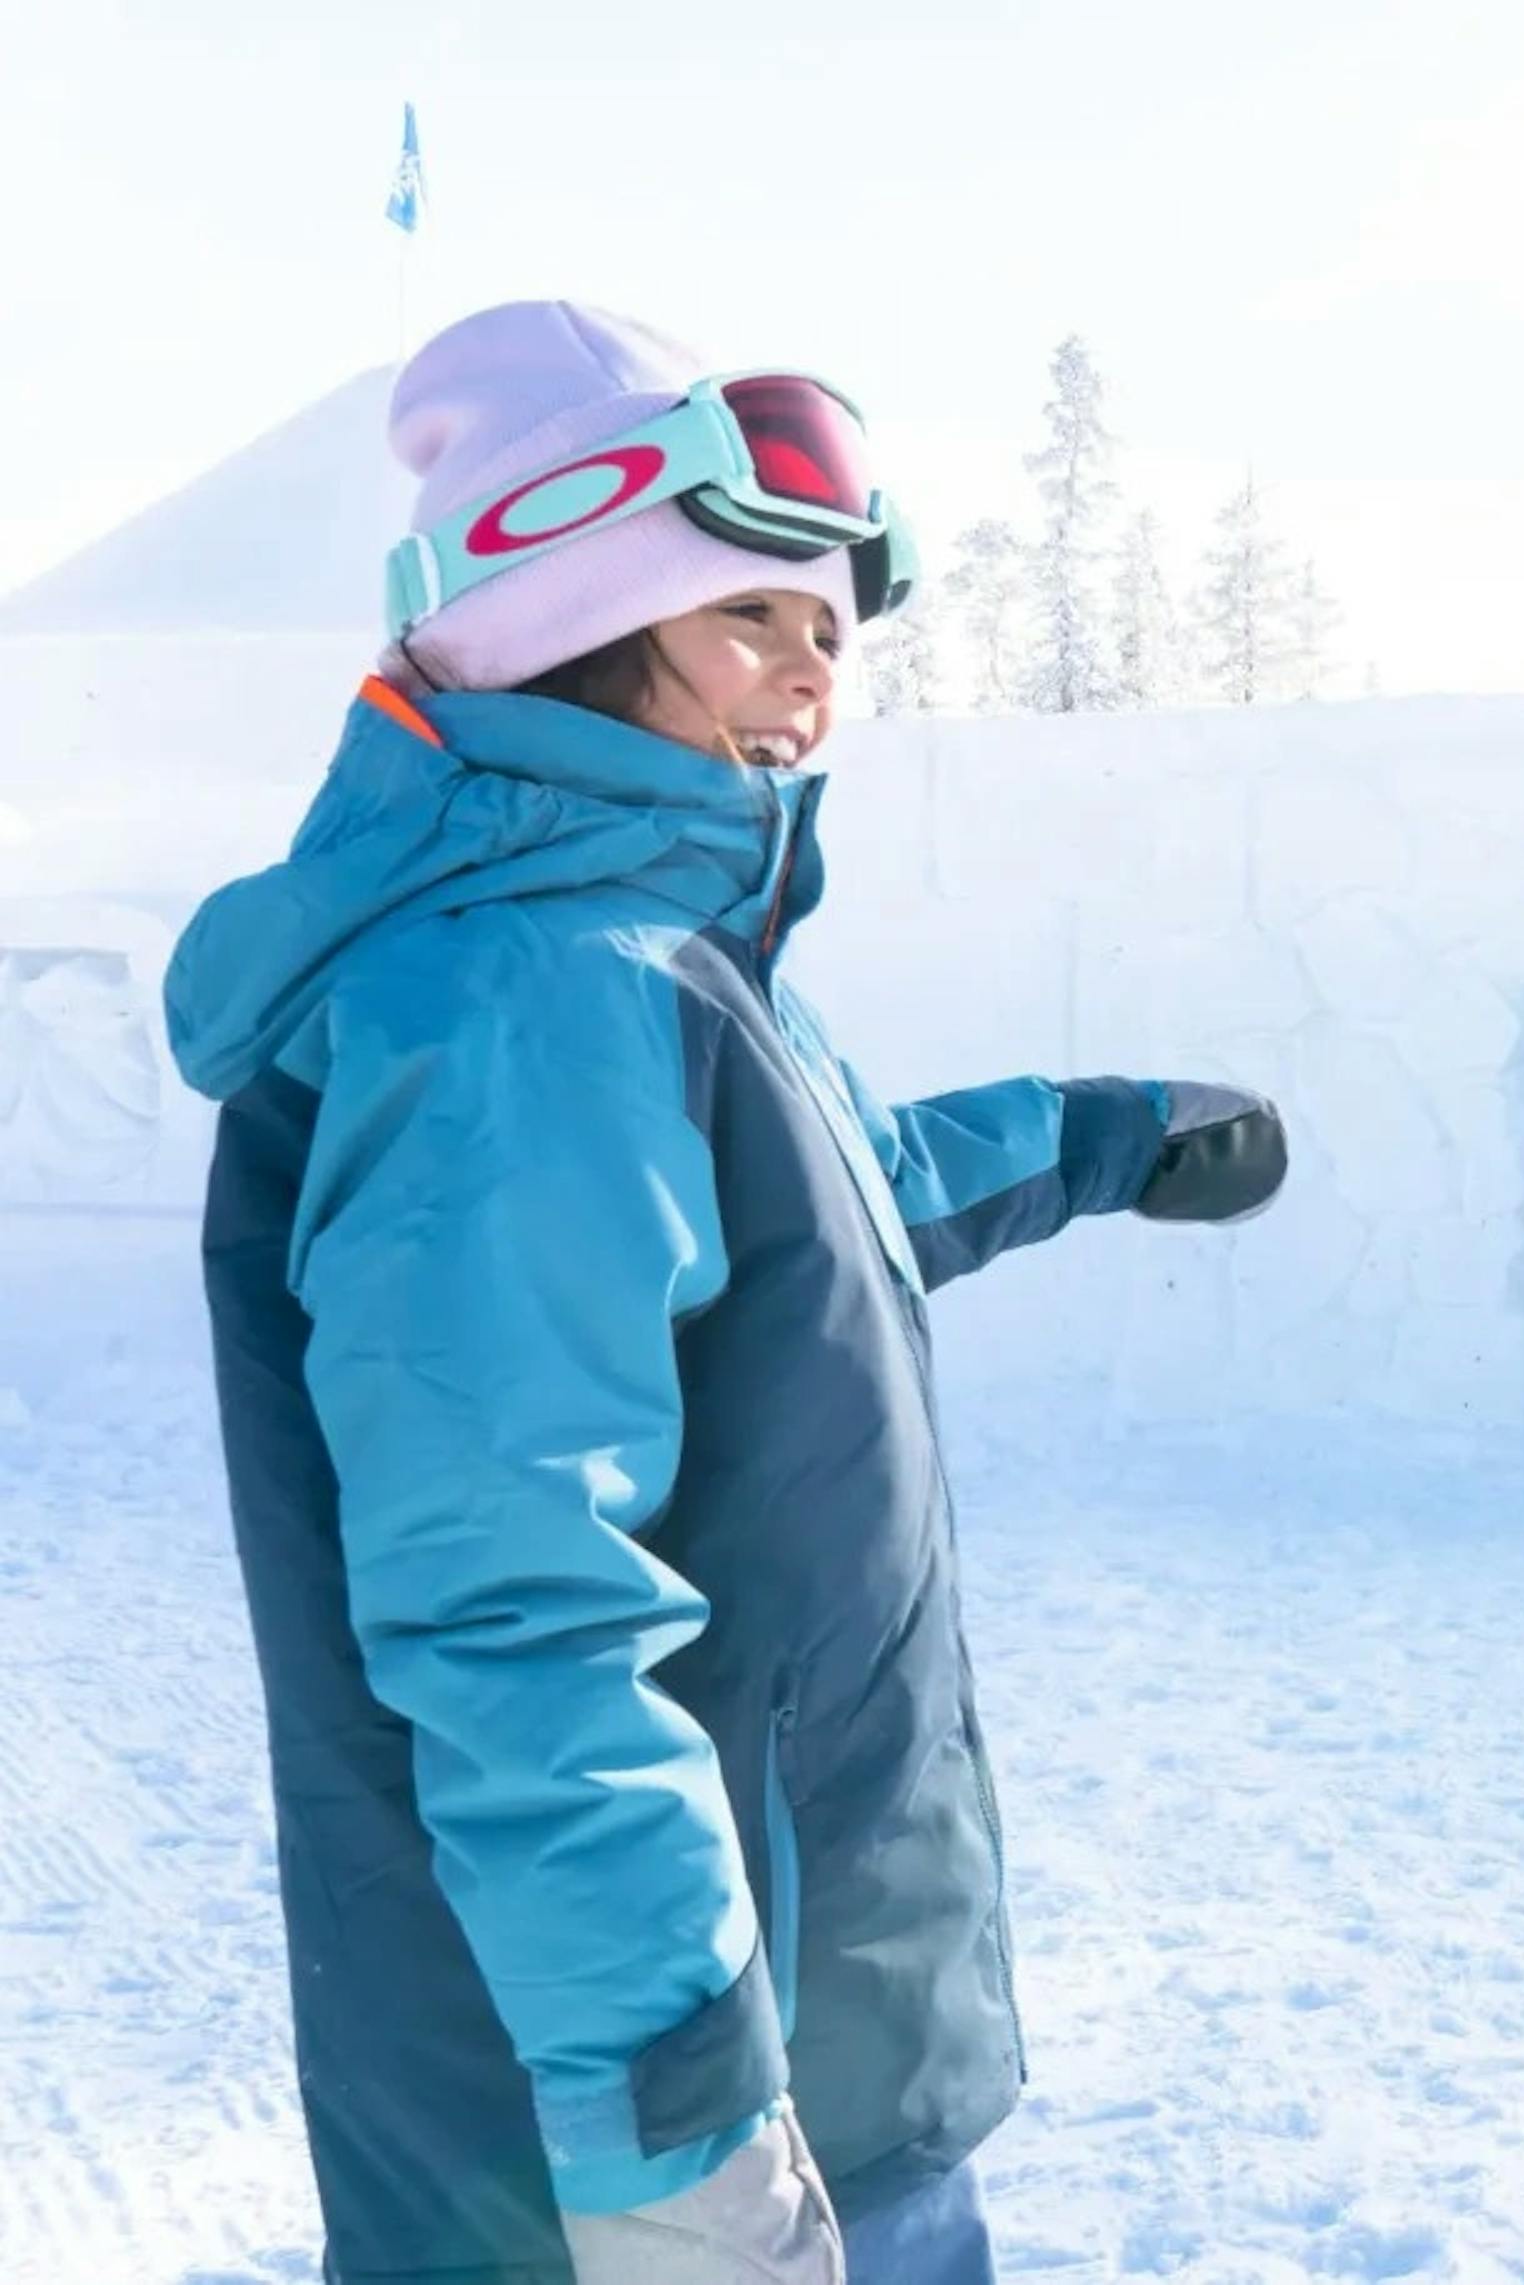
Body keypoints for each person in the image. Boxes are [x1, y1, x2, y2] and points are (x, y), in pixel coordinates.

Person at [162, 302, 1290, 2285]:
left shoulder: (648, 969)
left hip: (803, 2009)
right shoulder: (533, 993)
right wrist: (672, 2117)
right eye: (752, 615)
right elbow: (518, 1600)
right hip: (661, 2110)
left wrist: (1102, 1132)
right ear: (577, 612)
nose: (806, 678)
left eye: (833, 635)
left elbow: (835, 1200)